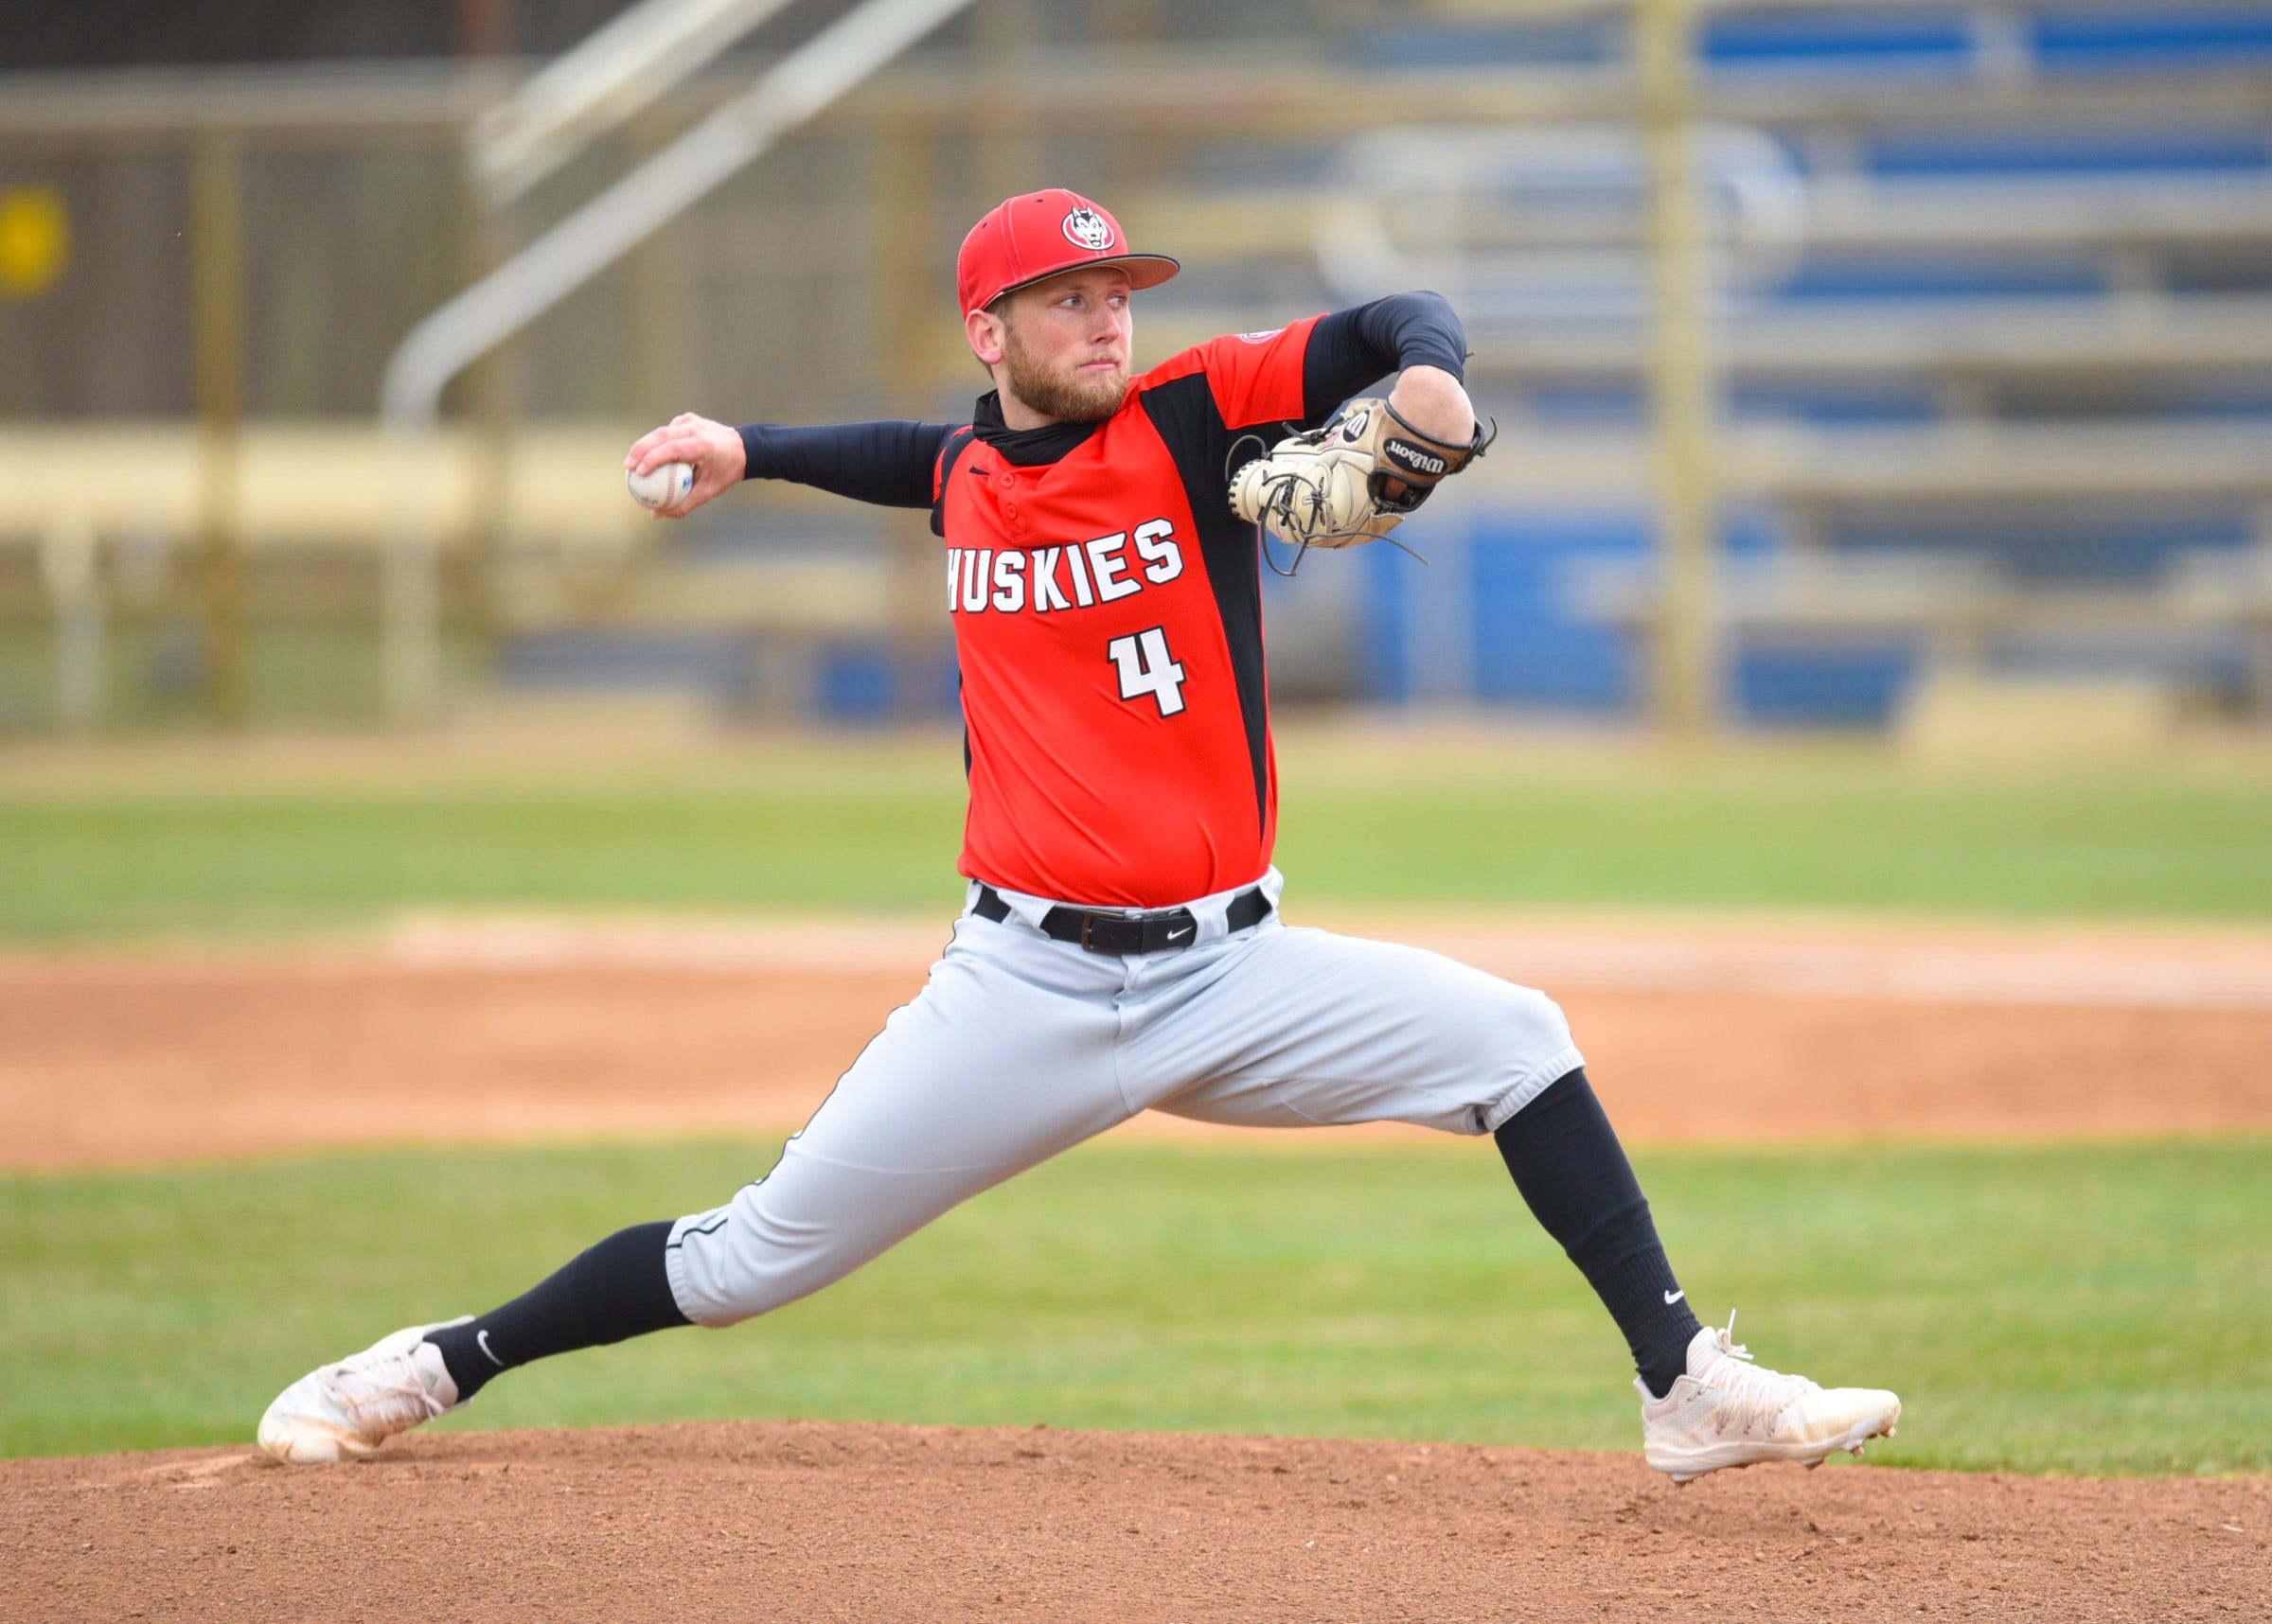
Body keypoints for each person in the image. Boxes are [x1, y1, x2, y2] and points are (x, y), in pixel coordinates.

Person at [258, 189, 1898, 1483]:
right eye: (1071, 297)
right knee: (752, 1258)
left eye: (1121, 291)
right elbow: (914, 459)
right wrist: (746, 449)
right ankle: (436, 1361)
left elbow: (1395, 326)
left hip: (1235, 972)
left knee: (1518, 1042)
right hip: (1019, 991)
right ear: (992, 329)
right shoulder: (974, 461)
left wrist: (1430, 388)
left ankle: (1683, 1386)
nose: (1111, 315)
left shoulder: (1190, 418)